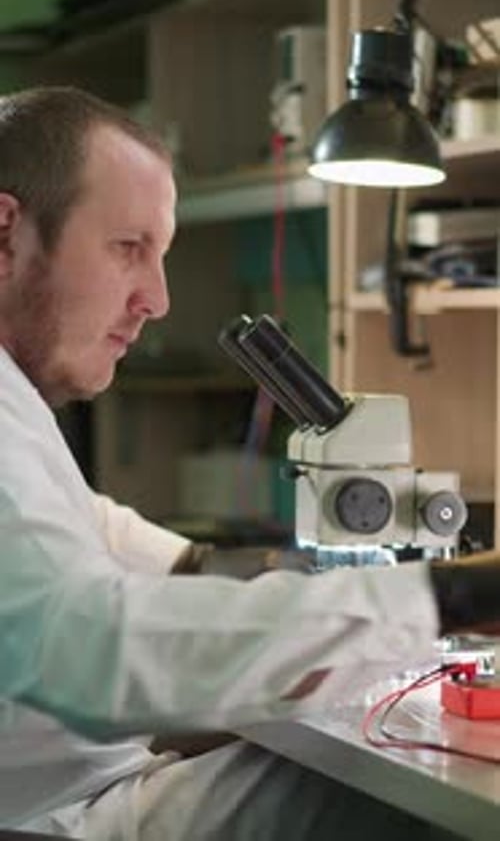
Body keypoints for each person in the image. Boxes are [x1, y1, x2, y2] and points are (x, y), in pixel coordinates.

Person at [0, 85, 497, 841]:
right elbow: (91, 649)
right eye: (128, 248)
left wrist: (201, 566)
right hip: (58, 821)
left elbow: (69, 523)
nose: (157, 298)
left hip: (71, 796)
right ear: (5, 236)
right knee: (410, 803)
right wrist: (453, 596)